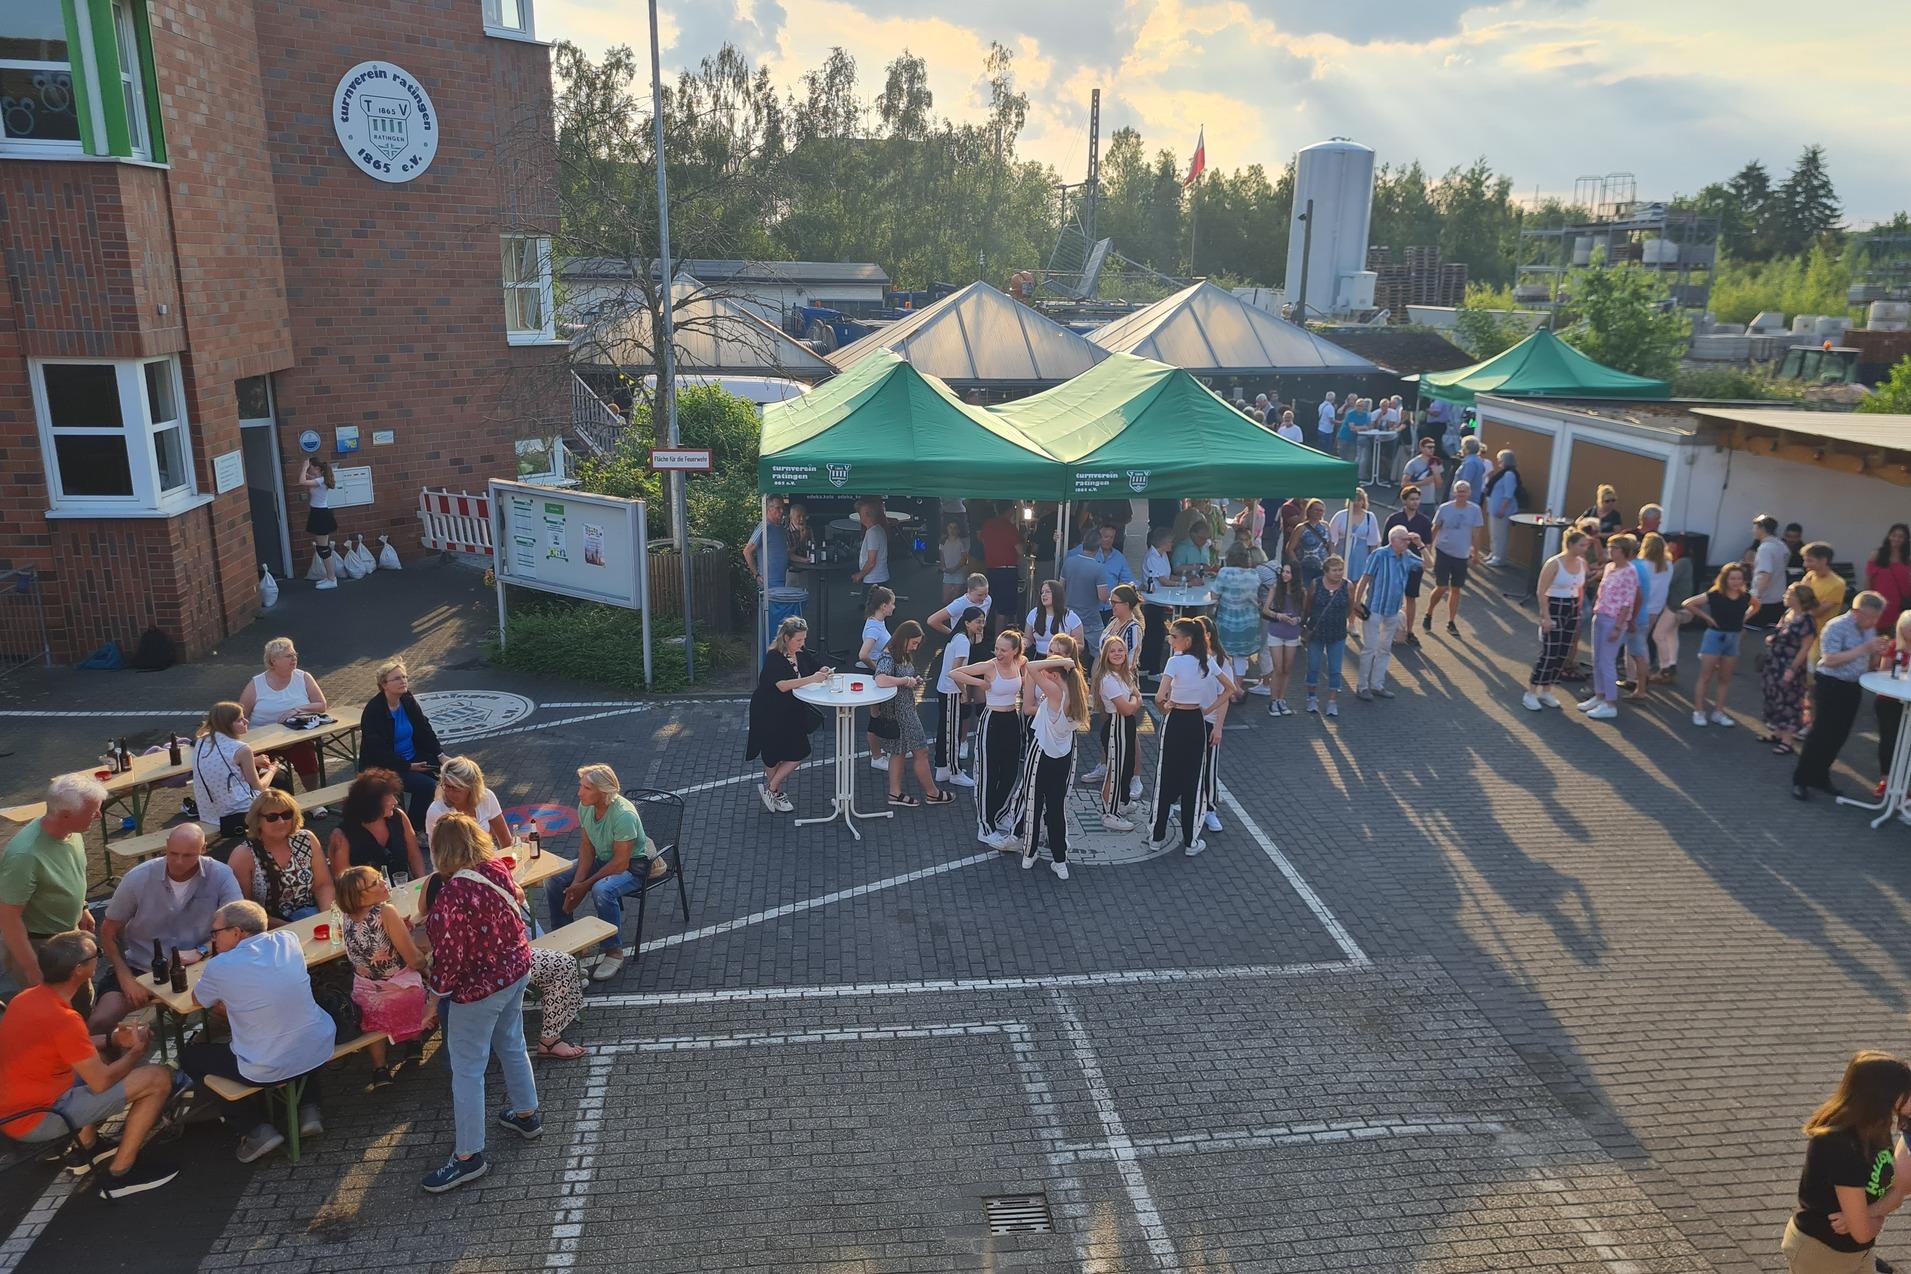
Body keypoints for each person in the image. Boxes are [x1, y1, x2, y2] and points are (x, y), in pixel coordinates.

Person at [0, 931, 177, 1198]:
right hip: (41, 1116)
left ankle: (88, 1147)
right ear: (79, 970)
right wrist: (135, 1052)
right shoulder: (64, 1018)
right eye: (97, 956)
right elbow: (101, 1081)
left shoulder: (26, 999)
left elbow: (72, 1045)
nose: (99, 960)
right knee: (157, 1078)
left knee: (104, 1056)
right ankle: (121, 1174)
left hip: (18, 1106)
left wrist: (115, 1038)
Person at [420, 815, 541, 1193]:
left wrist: (431, 1001)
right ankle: (527, 1114)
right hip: (516, 970)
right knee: (512, 1043)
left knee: (468, 1070)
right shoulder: (495, 869)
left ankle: (469, 1156)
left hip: (478, 991)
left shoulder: (451, 896)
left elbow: (449, 961)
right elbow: (516, 901)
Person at [182, 899, 335, 1164]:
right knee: (292, 1026)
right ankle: (309, 1108)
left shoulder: (221, 966)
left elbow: (197, 1000)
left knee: (190, 1057)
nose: (213, 940)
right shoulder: (288, 940)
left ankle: (255, 1130)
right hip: (320, 1045)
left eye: (216, 933)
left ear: (237, 932)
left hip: (265, 1066)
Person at [90, 823, 240, 1032]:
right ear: (166, 846)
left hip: (203, 965)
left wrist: (202, 950)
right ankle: (114, 1063)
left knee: (236, 1012)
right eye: (173, 853)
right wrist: (126, 979)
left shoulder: (221, 874)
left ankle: (203, 1051)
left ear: (204, 849)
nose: (178, 862)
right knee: (100, 1022)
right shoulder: (138, 877)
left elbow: (236, 927)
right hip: (142, 967)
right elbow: (108, 931)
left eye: (188, 855)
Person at [1782, 1050, 1911, 1271]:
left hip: (1857, 1252)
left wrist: (1868, 1214)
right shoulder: (1840, 1143)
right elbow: (1861, 1232)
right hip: (1823, 1253)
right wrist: (1874, 1219)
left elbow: (1896, 1193)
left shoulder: (1876, 1126)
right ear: (1883, 1095)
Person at [543, 764, 660, 981]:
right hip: (603, 858)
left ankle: (614, 951)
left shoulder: (623, 815)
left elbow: (620, 862)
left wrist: (583, 887)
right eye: (581, 786)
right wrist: (576, 883)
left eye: (586, 788)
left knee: (602, 890)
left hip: (632, 867)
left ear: (604, 791)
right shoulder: (585, 806)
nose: (579, 792)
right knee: (555, 880)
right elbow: (587, 847)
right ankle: (566, 942)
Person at [0, 774, 105, 998]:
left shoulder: (71, 832)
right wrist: (31, 967)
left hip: (67, 934)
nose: (99, 815)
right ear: (67, 815)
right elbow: (8, 918)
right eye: (92, 811)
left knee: (83, 998)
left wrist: (82, 907)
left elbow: (70, 871)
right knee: (57, 1012)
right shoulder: (25, 855)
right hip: (40, 945)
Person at [334, 866, 431, 1085]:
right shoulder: (385, 911)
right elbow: (413, 960)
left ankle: (380, 1069)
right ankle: (414, 1044)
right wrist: (426, 963)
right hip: (401, 997)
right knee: (416, 978)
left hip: (367, 996)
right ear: (360, 896)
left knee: (371, 1014)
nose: (383, 883)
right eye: (375, 883)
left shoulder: (346, 917)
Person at [1792, 592, 1887, 801]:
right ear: (1855, 613)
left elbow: (1867, 659)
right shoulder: (1835, 627)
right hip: (1830, 684)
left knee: (1839, 735)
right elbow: (1831, 660)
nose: (1873, 622)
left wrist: (1878, 654)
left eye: (1876, 618)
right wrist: (1864, 648)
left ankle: (1821, 775)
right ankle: (1801, 779)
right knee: (1820, 733)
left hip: (1853, 685)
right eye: (1870, 617)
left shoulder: (1869, 628)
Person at [1015, 635, 1090, 879]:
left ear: (1055, 674)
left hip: (1042, 753)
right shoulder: (1078, 689)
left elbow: (1030, 666)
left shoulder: (1055, 690)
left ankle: (1029, 852)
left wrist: (1059, 662)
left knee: (1033, 804)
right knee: (1056, 808)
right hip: (1063, 755)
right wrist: (1067, 663)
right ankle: (1060, 859)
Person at [1150, 618, 1226, 855]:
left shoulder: (1175, 662)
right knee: (1192, 780)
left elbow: (1159, 697)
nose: (1170, 640)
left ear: (1187, 640)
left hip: (1175, 721)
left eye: (1173, 636)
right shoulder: (1208, 662)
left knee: (1166, 776)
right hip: (1196, 721)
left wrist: (1167, 706)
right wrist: (1209, 709)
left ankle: (1156, 836)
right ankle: (1190, 841)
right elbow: (1231, 689)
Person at [951, 630, 1030, 851]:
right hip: (992, 721)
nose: (998, 653)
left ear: (1015, 651)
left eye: (1003, 650)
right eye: (996, 648)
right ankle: (985, 827)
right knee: (988, 774)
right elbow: (954, 673)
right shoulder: (989, 666)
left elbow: (1032, 669)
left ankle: (1001, 814)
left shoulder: (1020, 661)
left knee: (1010, 771)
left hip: (1012, 720)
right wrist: (980, 684)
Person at [746, 616, 831, 814]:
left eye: (804, 640)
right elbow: (782, 685)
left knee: (799, 752)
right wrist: (812, 678)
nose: (802, 644)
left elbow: (815, 665)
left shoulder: (800, 653)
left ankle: (772, 788)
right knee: (771, 755)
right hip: (768, 712)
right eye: (798, 640)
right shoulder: (774, 657)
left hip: (790, 712)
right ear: (786, 638)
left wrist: (823, 670)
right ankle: (776, 793)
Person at [359, 661, 449, 832]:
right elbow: (377, 751)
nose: (403, 681)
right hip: (386, 767)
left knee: (451, 774)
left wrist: (440, 754)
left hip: (413, 759)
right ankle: (414, 829)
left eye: (405, 677)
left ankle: (444, 822)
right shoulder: (374, 710)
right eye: (397, 678)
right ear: (384, 684)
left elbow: (424, 728)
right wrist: (408, 767)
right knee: (428, 786)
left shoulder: (407, 699)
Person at [871, 621, 952, 809]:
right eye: (914, 643)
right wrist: (906, 680)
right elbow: (880, 679)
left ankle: (895, 793)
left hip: (902, 709)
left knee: (898, 752)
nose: (915, 647)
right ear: (904, 638)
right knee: (921, 751)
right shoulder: (889, 656)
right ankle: (932, 793)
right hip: (902, 712)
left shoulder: (900, 655)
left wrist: (912, 681)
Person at [237, 637, 328, 802]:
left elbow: (321, 705)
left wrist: (297, 710)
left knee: (307, 755)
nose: (294, 658)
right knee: (254, 762)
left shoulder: (303, 677)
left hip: (295, 735)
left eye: (294, 654)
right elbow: (240, 714)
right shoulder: (256, 684)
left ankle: (313, 800)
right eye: (288, 656)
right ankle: (260, 802)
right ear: (273, 661)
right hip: (262, 740)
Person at [229, 788, 334, 925]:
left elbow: (323, 885)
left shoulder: (306, 839)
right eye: (272, 817)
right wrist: (292, 929)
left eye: (286, 815)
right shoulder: (243, 855)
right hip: (269, 926)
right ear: (257, 820)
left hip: (311, 914)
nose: (281, 822)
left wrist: (326, 918)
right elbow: (245, 910)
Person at [192, 701, 282, 840]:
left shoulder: (202, 741)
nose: (246, 721)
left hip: (209, 812)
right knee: (280, 784)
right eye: (240, 720)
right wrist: (273, 768)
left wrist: (254, 760)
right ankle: (276, 837)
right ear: (227, 724)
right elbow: (259, 788)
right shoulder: (241, 748)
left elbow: (224, 762)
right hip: (237, 811)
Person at [1682, 564, 1757, 729]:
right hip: (1714, 637)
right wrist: (1706, 618)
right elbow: (1688, 603)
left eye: (1739, 578)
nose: (1736, 582)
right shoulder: (1715, 594)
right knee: (1706, 676)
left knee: (1725, 678)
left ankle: (1719, 712)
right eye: (1732, 578)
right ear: (1725, 579)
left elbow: (1757, 605)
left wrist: (1743, 619)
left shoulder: (1745, 596)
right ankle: (1699, 711)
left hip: (1734, 638)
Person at [1523, 528, 1591, 711]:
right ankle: (1531, 692)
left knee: (1562, 653)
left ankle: (1547, 690)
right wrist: (1545, 617)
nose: (1585, 548)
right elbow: (1541, 591)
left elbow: (1580, 588)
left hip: (1572, 608)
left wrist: (1578, 610)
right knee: (1549, 652)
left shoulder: (1582, 563)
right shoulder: (1554, 563)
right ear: (1570, 545)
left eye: (1586, 545)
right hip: (1554, 607)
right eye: (1581, 545)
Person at [1353, 526, 1421, 702]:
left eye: (1407, 539)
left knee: (1385, 649)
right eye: (1404, 539)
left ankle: (1377, 685)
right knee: (1370, 648)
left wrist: (1420, 545)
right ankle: (1362, 686)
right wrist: (1356, 602)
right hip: (1375, 608)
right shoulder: (1379, 554)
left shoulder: (1406, 555)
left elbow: (1428, 565)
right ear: (1393, 540)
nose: (1407, 542)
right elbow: (1365, 578)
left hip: (1393, 609)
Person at [1578, 533, 1639, 722]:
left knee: (1607, 660)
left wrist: (1619, 626)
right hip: (1601, 615)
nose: (1610, 551)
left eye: (1615, 548)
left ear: (1625, 551)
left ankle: (1610, 703)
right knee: (1597, 658)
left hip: (1614, 620)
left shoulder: (1630, 572)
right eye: (1610, 547)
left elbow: (1628, 602)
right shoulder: (1610, 567)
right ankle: (1599, 695)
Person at [327, 768, 426, 882]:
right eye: (389, 797)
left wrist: (421, 883)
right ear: (372, 803)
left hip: (403, 889)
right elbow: (342, 880)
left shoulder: (399, 817)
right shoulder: (341, 836)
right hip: (366, 897)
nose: (395, 801)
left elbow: (414, 855)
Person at [1090, 634, 1143, 832]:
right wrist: (1135, 700)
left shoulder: (1124, 674)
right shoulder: (1108, 678)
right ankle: (1109, 813)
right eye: (1112, 651)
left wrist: (1134, 699)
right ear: (1105, 655)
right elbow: (1127, 708)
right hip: (1116, 727)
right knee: (1115, 770)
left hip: (1125, 726)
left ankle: (1122, 801)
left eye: (1120, 650)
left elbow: (1134, 698)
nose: (1117, 654)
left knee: (1126, 767)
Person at [1761, 583, 1820, 758]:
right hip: (1775, 663)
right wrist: (1773, 638)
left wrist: (1792, 669)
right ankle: (1777, 733)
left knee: (1789, 700)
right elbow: (1780, 632)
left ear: (1798, 598)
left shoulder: (1807, 621)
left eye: (1789, 593)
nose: (1785, 595)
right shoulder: (1788, 614)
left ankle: (1787, 741)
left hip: (1789, 665)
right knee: (1774, 696)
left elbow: (1805, 648)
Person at [934, 606, 987, 789]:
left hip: (945, 689)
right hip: (951, 691)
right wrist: (964, 691)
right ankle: (955, 772)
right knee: (952, 733)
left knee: (945, 730)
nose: (982, 625)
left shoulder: (957, 637)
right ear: (967, 623)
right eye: (978, 621)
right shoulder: (963, 641)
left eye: (983, 621)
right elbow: (955, 670)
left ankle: (942, 768)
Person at [1423, 479, 1485, 636]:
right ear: (1454, 493)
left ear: (1469, 493)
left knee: (1456, 589)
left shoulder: (1475, 510)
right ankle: (1429, 613)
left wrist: (1476, 553)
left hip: (1462, 555)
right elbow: (1435, 528)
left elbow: (1476, 533)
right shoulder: (1444, 508)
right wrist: (1427, 549)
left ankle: (1451, 621)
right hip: (1443, 551)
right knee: (1442, 586)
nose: (1461, 494)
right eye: (1459, 491)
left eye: (1464, 491)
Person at [424, 755, 515, 850]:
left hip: (489, 860)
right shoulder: (436, 811)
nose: (450, 792)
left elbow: (505, 839)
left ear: (471, 787)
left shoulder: (486, 797)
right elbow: (436, 854)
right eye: (447, 786)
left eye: (456, 788)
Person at [1384, 485, 1435, 645]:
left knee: (1411, 597)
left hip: (1414, 565)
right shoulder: (1394, 519)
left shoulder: (1424, 521)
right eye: (1412, 499)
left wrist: (1423, 555)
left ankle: (1409, 630)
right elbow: (1384, 544)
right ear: (1404, 500)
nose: (1415, 502)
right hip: (1394, 564)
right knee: (1393, 596)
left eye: (1417, 499)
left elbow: (1427, 545)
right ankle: (1391, 629)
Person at [1303, 555, 1351, 718]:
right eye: (1335, 570)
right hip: (1317, 632)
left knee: (1335, 669)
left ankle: (1332, 702)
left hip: (1337, 633)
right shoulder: (1316, 584)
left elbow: (1350, 608)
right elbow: (1308, 606)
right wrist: (1304, 624)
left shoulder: (1348, 586)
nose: (1338, 574)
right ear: (1325, 571)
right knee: (1313, 666)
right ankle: (1311, 698)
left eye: (1340, 570)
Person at [1872, 610, 1911, 796]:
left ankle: (1906, 783)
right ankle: (1886, 779)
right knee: (1889, 740)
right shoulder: (1894, 647)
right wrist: (1903, 670)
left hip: (1908, 702)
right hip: (1889, 700)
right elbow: (1883, 672)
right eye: (1907, 630)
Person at [1259, 562, 1306, 716]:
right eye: (1284, 572)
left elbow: (1303, 613)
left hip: (1292, 634)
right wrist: (1279, 616)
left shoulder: (1301, 592)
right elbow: (1265, 610)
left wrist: (1297, 620)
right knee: (1278, 668)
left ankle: (1281, 699)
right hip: (1276, 632)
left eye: (1289, 572)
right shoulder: (1275, 588)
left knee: (1287, 668)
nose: (1285, 575)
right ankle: (1273, 701)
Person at [859, 585, 897, 770]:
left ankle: (886, 751)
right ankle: (876, 757)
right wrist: (877, 670)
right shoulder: (874, 627)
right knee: (876, 716)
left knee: (884, 714)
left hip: (880, 675)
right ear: (883, 606)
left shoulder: (876, 622)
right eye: (892, 604)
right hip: (876, 677)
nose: (894, 607)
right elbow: (863, 654)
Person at [1213, 545, 1262, 687]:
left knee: (1224, 655)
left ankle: (1224, 688)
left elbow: (1214, 595)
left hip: (1228, 621)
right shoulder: (1254, 573)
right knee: (1241, 657)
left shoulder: (1225, 572)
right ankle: (1237, 688)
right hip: (1249, 621)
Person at [1638, 532, 1680, 683]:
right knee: (1648, 639)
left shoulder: (1642, 564)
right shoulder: (1668, 565)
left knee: (1639, 642)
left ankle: (1642, 672)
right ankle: (1658, 668)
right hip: (1657, 607)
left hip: (1642, 607)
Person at [977, 504, 1027, 633]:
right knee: (1003, 609)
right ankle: (997, 640)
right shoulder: (1010, 528)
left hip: (991, 569)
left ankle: (982, 635)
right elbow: (1020, 551)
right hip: (1007, 570)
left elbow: (982, 541)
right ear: (1010, 510)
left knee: (990, 604)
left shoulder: (988, 525)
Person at [1801, 542, 1849, 664]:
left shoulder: (1837, 584)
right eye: (1805, 560)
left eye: (1810, 561)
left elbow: (1817, 612)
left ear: (1823, 560)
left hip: (1820, 637)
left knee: (1810, 672)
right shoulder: (1810, 576)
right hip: (1801, 631)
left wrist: (1805, 596)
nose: (1805, 565)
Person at [298, 457, 339, 590]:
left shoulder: (320, 481)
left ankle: (332, 579)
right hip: (318, 513)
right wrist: (306, 471)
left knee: (323, 549)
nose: (309, 469)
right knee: (323, 547)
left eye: (312, 467)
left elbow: (301, 481)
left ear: (318, 469)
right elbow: (307, 478)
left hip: (320, 514)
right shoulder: (320, 480)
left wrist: (304, 467)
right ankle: (329, 577)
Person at [1140, 528, 1176, 673]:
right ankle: (1150, 669)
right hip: (1152, 601)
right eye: (1170, 542)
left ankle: (1149, 667)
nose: (1172, 544)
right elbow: (1164, 581)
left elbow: (1169, 577)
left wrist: (1184, 579)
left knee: (1156, 634)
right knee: (1154, 635)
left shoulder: (1163, 555)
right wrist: (1185, 584)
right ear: (1164, 543)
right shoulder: (1152, 557)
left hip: (1160, 599)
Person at [1328, 489, 1381, 588]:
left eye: (1359, 500)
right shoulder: (1340, 515)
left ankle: (1354, 602)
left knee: (1357, 583)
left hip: (1361, 555)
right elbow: (1332, 539)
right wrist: (1332, 558)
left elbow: (1374, 542)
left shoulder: (1370, 517)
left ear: (1363, 501)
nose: (1356, 503)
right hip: (1342, 553)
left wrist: (1372, 562)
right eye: (1353, 499)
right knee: (1339, 581)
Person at [1867, 523, 1911, 635]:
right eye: (1894, 535)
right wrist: (1867, 599)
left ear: (1905, 540)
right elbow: (1869, 578)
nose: (1897, 538)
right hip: (1880, 603)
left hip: (1900, 604)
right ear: (1889, 536)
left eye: (1901, 536)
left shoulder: (1907, 558)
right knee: (1877, 636)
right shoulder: (1877, 554)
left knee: (1898, 636)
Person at [1750, 515, 1792, 629]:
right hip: (1779, 597)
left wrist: (1755, 594)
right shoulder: (1782, 546)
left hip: (1765, 600)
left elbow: (1765, 573)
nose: (1753, 531)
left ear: (1761, 529)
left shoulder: (1765, 548)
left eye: (1755, 528)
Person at [1025, 578, 1084, 659]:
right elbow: (1028, 638)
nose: (1043, 595)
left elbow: (1080, 645)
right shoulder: (1033, 614)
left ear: (1057, 594)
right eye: (1042, 592)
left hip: (1061, 659)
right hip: (1039, 658)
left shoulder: (1071, 617)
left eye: (1048, 592)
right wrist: (1019, 644)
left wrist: (1063, 649)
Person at [1483, 449, 1522, 566]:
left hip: (1502, 511)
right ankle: (1493, 552)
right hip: (1494, 509)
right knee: (1494, 533)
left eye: (1500, 459)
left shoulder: (1509, 474)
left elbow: (1508, 494)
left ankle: (1499, 557)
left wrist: (1502, 509)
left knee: (1500, 535)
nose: (1498, 461)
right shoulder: (1504, 473)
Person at [1288, 500, 1332, 587]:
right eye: (1316, 510)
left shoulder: (1326, 526)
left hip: (1322, 568)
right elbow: (1290, 549)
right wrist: (1297, 565)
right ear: (1309, 510)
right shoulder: (1301, 528)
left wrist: (1331, 560)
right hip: (1305, 568)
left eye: (1321, 510)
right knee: (1305, 593)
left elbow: (1330, 544)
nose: (1319, 512)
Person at [850, 498, 890, 591]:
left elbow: (871, 562)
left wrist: (859, 575)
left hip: (873, 580)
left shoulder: (873, 533)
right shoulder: (878, 529)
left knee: (868, 605)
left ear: (867, 515)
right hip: (878, 578)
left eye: (860, 513)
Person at [1452, 437, 1488, 521]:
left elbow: (1464, 483)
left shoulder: (1469, 463)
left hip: (1464, 500)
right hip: (1474, 498)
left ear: (1467, 449)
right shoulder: (1478, 461)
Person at [936, 519, 971, 604]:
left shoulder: (962, 542)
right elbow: (942, 557)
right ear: (947, 528)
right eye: (950, 527)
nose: (952, 530)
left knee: (957, 599)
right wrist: (944, 568)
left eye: (955, 528)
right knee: (946, 600)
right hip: (947, 574)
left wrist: (954, 569)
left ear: (958, 530)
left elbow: (964, 559)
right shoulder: (943, 541)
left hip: (959, 573)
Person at [1402, 437, 1444, 507]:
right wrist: (1422, 483)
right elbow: (1404, 484)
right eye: (1429, 447)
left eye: (1433, 447)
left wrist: (1436, 472)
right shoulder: (1413, 463)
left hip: (1431, 501)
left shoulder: (1436, 462)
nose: (1432, 449)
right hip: (1415, 502)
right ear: (1421, 448)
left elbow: (1439, 485)